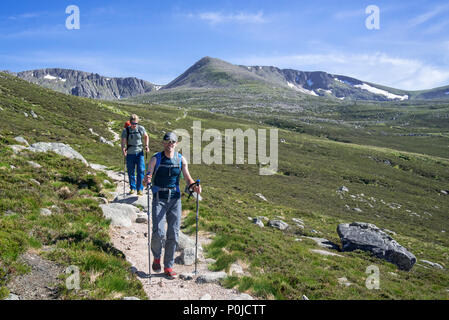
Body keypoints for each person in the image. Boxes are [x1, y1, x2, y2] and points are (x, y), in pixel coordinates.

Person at [144, 132, 201, 278]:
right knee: (159, 232)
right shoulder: (156, 158)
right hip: (159, 198)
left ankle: (168, 267)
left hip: (175, 200)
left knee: (174, 234)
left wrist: (194, 186)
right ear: (163, 143)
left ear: (176, 144)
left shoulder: (181, 159)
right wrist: (147, 180)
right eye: (168, 141)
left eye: (173, 141)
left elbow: (187, 179)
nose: (170, 144)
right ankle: (157, 257)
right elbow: (147, 178)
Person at [121, 114, 149, 196]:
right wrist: (123, 149)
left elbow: (146, 136)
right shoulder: (126, 130)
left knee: (141, 170)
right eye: (132, 123)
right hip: (130, 153)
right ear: (130, 122)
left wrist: (146, 146)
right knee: (131, 171)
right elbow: (123, 142)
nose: (134, 125)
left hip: (140, 152)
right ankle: (132, 188)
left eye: (135, 123)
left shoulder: (141, 128)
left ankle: (139, 189)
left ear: (138, 123)